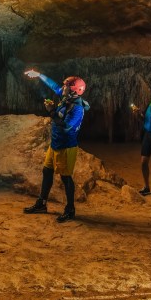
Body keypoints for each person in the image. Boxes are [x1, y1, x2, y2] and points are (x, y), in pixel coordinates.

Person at [22, 70, 89, 223]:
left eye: (65, 86)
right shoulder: (66, 98)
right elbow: (53, 86)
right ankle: (42, 204)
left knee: (66, 178)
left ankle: (70, 209)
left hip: (66, 147)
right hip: (55, 144)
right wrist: (39, 75)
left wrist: (52, 111)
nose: (62, 88)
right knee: (47, 171)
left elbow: (67, 127)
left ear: (73, 91)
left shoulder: (77, 109)